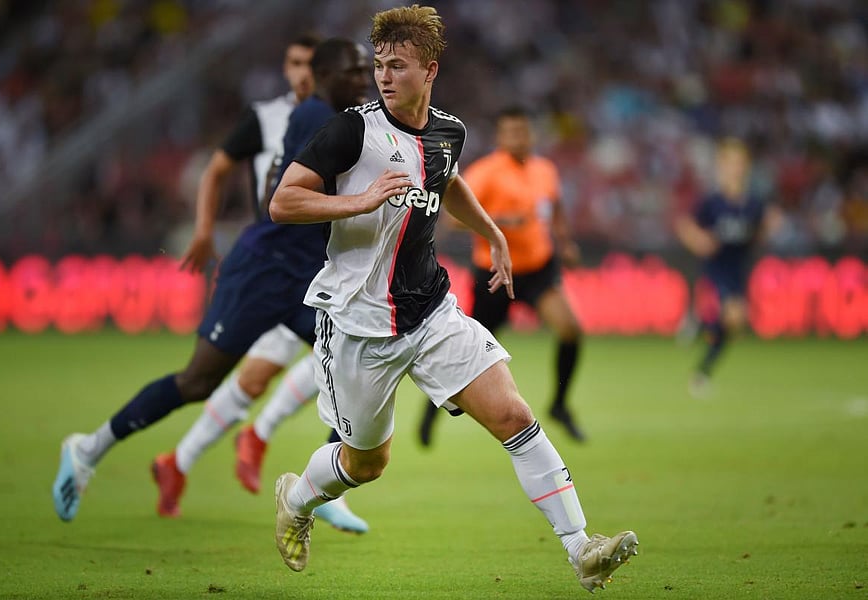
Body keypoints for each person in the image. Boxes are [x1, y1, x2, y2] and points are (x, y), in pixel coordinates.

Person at [268, 5, 638, 593]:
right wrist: (356, 202)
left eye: (398, 65)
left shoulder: (449, 131)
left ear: (431, 69)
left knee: (514, 415)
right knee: (366, 463)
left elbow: (446, 176)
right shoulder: (351, 131)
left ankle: (581, 549)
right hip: (360, 325)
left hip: (432, 311)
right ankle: (297, 499)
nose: (385, 76)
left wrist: (491, 231)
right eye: (380, 66)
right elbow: (283, 202)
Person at [51, 37, 370, 534]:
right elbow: (277, 192)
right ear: (329, 75)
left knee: (352, 367)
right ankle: (88, 448)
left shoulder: (340, 116)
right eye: (355, 71)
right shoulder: (315, 118)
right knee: (198, 381)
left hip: (309, 276)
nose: (364, 78)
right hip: (263, 270)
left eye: (366, 70)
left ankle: (321, 485)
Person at [155, 37, 373, 532]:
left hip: (307, 268)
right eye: (293, 62)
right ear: (293, 69)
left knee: (325, 365)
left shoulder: (342, 119)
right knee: (286, 372)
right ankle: (235, 449)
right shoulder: (276, 119)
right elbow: (257, 183)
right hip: (277, 267)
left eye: (306, 64)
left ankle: (194, 457)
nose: (300, 73)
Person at [417, 106, 585, 447]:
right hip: (495, 273)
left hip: (538, 267)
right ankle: (430, 412)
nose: (518, 138)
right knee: (467, 353)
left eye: (523, 131)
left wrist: (564, 243)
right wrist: (499, 222)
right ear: (499, 137)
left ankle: (559, 404)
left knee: (570, 329)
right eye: (511, 132)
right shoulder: (485, 173)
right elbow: (453, 218)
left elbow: (556, 209)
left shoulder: (545, 170)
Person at [675, 137, 782, 397]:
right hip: (716, 269)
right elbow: (685, 225)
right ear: (721, 166)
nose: (736, 168)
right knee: (734, 317)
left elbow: (763, 226)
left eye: (740, 163)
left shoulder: (753, 204)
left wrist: (771, 227)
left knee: (733, 327)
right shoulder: (712, 203)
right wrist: (699, 240)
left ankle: (701, 344)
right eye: (730, 162)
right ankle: (701, 331)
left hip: (739, 270)